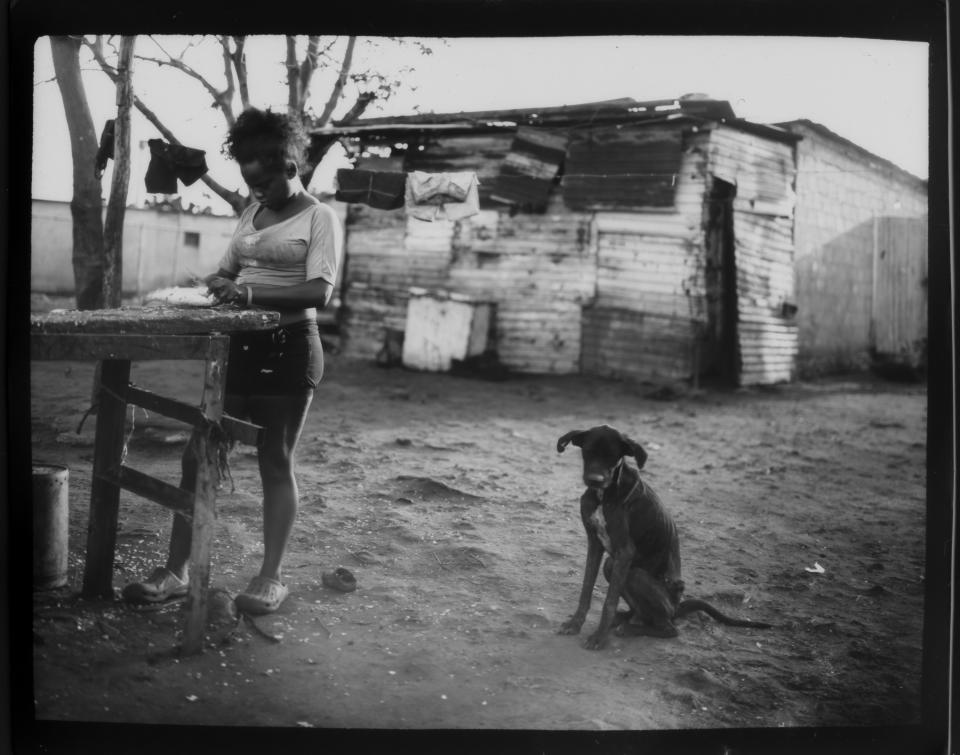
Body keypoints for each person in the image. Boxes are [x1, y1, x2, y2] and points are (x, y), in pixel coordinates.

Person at [123, 107, 343, 615]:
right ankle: (176, 570)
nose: (258, 191)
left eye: (266, 181)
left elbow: (320, 291)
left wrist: (246, 293)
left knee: (273, 460)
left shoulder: (318, 217)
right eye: (250, 181)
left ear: (291, 166)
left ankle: (271, 577)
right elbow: (228, 270)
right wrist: (217, 282)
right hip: (235, 348)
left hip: (288, 350)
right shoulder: (251, 214)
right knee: (198, 456)